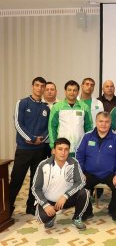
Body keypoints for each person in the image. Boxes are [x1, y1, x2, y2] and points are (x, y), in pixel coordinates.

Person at [76, 112, 116, 222]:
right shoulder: (87, 136)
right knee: (79, 184)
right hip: (89, 173)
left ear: (110, 123)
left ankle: (113, 210)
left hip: (110, 173)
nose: (103, 124)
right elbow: (79, 154)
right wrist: (81, 172)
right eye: (101, 121)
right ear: (96, 122)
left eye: (106, 121)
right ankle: (87, 211)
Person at [10, 76, 50, 216]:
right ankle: (7, 207)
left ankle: (30, 207)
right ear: (33, 86)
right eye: (37, 85)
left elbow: (48, 129)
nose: (39, 88)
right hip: (24, 150)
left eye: (42, 86)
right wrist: (32, 138)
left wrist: (41, 139)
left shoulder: (46, 108)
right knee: (17, 179)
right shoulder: (22, 103)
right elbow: (18, 124)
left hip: (39, 150)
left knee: (35, 180)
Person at [31, 138, 89, 230]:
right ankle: (52, 216)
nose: (63, 152)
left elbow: (80, 182)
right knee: (42, 218)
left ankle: (77, 218)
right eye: (60, 149)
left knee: (84, 192)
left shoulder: (73, 162)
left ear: (69, 151)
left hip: (66, 199)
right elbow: (35, 188)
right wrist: (45, 205)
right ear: (53, 151)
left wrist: (65, 196)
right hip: (49, 201)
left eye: (66, 149)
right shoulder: (43, 165)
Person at [48, 80, 93, 156]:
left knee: (79, 168)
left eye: (74, 90)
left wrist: (89, 145)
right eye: (69, 90)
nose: (72, 92)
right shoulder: (57, 107)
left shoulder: (84, 107)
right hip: (61, 149)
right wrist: (53, 146)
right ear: (65, 91)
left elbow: (89, 128)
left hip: (80, 149)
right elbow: (52, 127)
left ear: (78, 92)